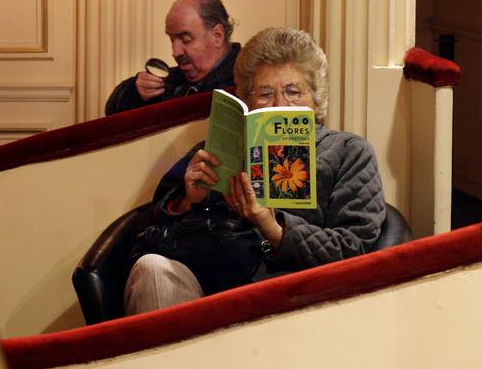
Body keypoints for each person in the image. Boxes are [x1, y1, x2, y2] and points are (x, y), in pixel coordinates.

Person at [123, 27, 385, 314]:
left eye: (293, 91)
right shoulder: (216, 150)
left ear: (316, 98)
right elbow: (148, 230)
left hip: (295, 296)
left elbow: (355, 247)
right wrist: (188, 201)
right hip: (208, 289)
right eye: (265, 94)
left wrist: (275, 229)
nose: (280, 105)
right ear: (247, 102)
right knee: (152, 269)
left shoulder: (348, 151)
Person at [105, 0, 240, 115]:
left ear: (217, 36)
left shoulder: (246, 83)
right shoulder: (171, 82)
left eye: (186, 39)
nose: (175, 52)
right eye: (172, 39)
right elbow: (112, 112)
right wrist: (136, 92)